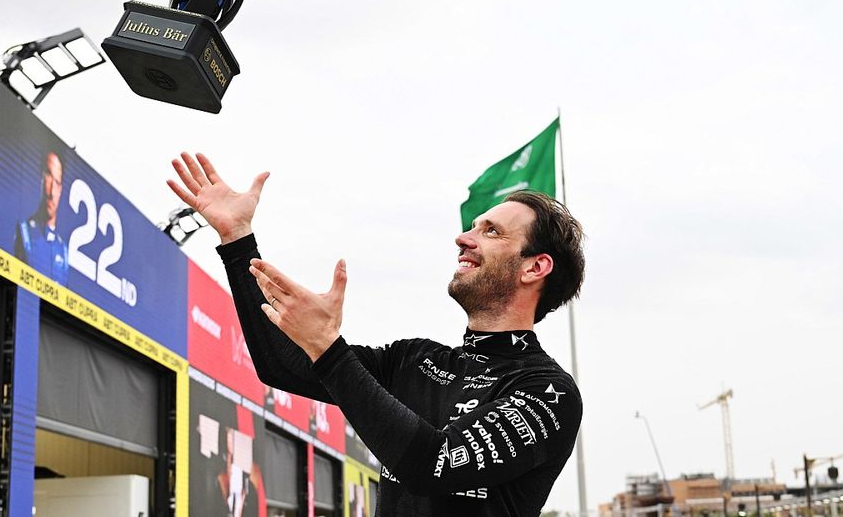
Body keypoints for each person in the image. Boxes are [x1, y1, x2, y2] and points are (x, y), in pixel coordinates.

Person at [167, 152, 585, 517]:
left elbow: (433, 464)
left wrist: (327, 347)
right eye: (473, 227)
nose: (463, 238)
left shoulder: (547, 392)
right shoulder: (415, 359)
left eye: (490, 231)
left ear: (535, 267)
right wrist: (237, 241)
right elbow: (283, 366)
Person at [15, 151, 68, 283]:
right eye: (49, 176)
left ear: (61, 189)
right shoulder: (24, 232)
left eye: (57, 182)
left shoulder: (63, 250)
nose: (51, 192)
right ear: (41, 178)